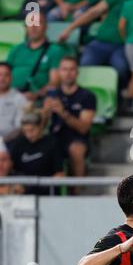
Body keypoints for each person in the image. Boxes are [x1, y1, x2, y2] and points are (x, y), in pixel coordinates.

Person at [59, 0, 130, 95]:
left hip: (123, 46)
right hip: (100, 42)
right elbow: (94, 11)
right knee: (85, 65)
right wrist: (70, 28)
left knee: (121, 68)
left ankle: (118, 99)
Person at [42, 56, 96, 184]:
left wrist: (62, 113)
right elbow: (41, 126)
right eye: (64, 69)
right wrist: (45, 112)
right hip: (54, 137)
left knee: (76, 149)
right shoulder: (52, 95)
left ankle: (78, 192)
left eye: (72, 69)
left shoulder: (87, 96)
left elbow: (83, 128)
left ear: (77, 72)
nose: (68, 73)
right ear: (59, 72)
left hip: (77, 138)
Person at [7, 12, 66, 104]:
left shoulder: (55, 50)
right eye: (30, 24)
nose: (33, 27)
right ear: (26, 27)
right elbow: (4, 74)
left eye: (38, 23)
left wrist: (36, 94)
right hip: (11, 98)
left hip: (37, 100)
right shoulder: (16, 49)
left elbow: (54, 82)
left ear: (46, 26)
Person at [8, 111, 64, 195]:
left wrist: (47, 185)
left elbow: (59, 173)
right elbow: (11, 169)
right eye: (25, 131)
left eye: (32, 130)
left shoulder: (52, 143)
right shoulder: (18, 144)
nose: (29, 135)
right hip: (23, 190)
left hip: (46, 188)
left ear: (40, 126)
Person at [0, 62, 27, 142]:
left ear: (11, 78)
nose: (2, 78)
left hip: (10, 142)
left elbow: (21, 127)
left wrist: (1, 142)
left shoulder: (19, 99)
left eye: (6, 75)